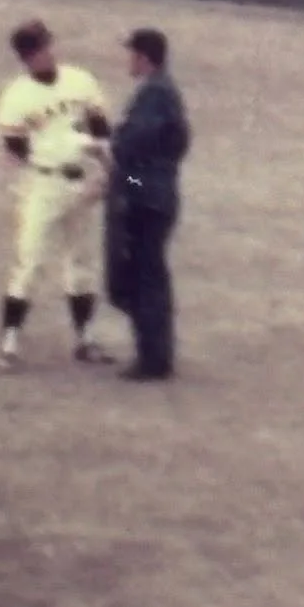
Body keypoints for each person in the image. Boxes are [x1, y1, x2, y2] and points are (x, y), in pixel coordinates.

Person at [0, 19, 115, 372]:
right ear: (28, 56)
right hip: (43, 184)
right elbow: (16, 148)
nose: (50, 53)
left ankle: (85, 339)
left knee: (81, 264)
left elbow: (102, 129)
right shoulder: (17, 96)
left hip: (80, 184)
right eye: (42, 48)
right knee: (30, 262)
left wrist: (108, 172)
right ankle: (9, 341)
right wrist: (56, 150)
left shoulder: (80, 80)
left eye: (49, 45)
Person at [106, 28, 191, 382]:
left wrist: (110, 152)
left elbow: (132, 146)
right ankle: (155, 353)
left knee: (145, 277)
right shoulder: (163, 92)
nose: (128, 60)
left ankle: (153, 357)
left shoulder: (154, 94)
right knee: (149, 275)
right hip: (157, 188)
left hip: (146, 191)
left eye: (132, 54)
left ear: (144, 57)